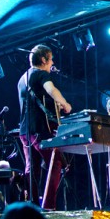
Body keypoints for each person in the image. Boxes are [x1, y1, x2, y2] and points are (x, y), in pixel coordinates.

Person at [17, 44, 72, 210]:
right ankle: (48, 206)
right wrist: (65, 103)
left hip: (24, 131)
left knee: (32, 169)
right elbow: (51, 89)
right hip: (40, 129)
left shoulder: (22, 78)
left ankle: (32, 206)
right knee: (56, 163)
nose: (52, 62)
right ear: (43, 59)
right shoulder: (41, 74)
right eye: (51, 59)